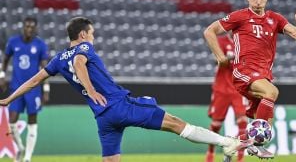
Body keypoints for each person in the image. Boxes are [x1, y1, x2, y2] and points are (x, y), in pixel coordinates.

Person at [0, 17, 254, 162]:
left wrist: (8, 98)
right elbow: (80, 64)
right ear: (82, 34)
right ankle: (228, 143)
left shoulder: (57, 59)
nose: (93, 37)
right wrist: (90, 89)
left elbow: (34, 80)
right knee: (176, 124)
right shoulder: (83, 49)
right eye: (92, 33)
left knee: (111, 160)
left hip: (102, 117)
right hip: (118, 105)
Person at [203, 0, 296, 159]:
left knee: (267, 126)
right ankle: (256, 145)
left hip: (263, 75)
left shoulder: (275, 19)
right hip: (243, 71)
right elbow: (209, 31)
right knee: (272, 92)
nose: (258, 1)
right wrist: (220, 57)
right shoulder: (239, 16)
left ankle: (234, 144)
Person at [0, 17, 50, 162]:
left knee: (32, 120)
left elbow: (45, 68)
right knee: (12, 122)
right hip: (16, 87)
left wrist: (46, 89)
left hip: (33, 88)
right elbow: (5, 59)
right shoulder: (13, 42)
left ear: (35, 28)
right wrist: (2, 76)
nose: (29, 29)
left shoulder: (40, 45)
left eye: (32, 27)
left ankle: (27, 158)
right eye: (27, 26)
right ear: (23, 27)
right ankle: (20, 148)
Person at [205, 34, 248, 162]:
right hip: (221, 88)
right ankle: (210, 152)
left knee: (243, 121)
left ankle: (240, 157)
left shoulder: (245, 42)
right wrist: (230, 57)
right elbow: (216, 59)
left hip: (239, 88)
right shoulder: (221, 41)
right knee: (216, 124)